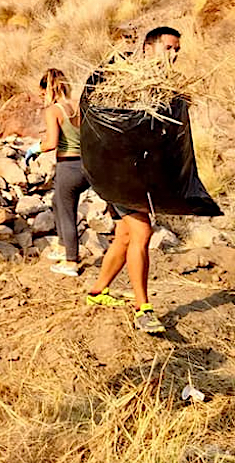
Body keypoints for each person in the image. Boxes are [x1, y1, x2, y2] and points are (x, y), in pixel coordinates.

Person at [85, 27, 182, 334]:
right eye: (168, 48)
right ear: (149, 48)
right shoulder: (123, 78)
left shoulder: (164, 86)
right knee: (142, 230)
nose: (174, 54)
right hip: (114, 173)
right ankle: (144, 309)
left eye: (177, 49)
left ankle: (98, 292)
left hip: (137, 175)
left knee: (125, 236)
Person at [24, 69, 89, 277]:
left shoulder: (54, 110)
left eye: (42, 93)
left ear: (48, 89)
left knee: (67, 212)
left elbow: (52, 143)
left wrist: (35, 148)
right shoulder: (78, 105)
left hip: (68, 165)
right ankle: (62, 247)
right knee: (57, 203)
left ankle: (71, 262)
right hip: (85, 164)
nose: (42, 98)